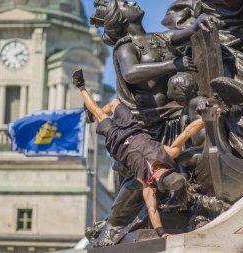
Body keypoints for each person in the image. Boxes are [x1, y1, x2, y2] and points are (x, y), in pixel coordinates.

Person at [73, 70, 216, 238]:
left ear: (159, 180)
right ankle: (89, 114)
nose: (160, 173)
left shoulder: (147, 183)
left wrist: (162, 233)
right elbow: (187, 133)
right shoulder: (168, 153)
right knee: (114, 103)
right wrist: (208, 117)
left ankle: (81, 87)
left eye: (160, 176)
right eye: (164, 172)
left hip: (117, 142)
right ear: (168, 171)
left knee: (100, 113)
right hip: (133, 129)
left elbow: (152, 209)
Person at [90, 0, 218, 143]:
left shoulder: (161, 37)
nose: (133, 2)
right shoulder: (126, 47)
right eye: (126, 4)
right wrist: (172, 65)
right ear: (121, 18)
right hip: (149, 123)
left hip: (177, 110)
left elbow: (191, 30)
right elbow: (130, 73)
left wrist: (200, 20)